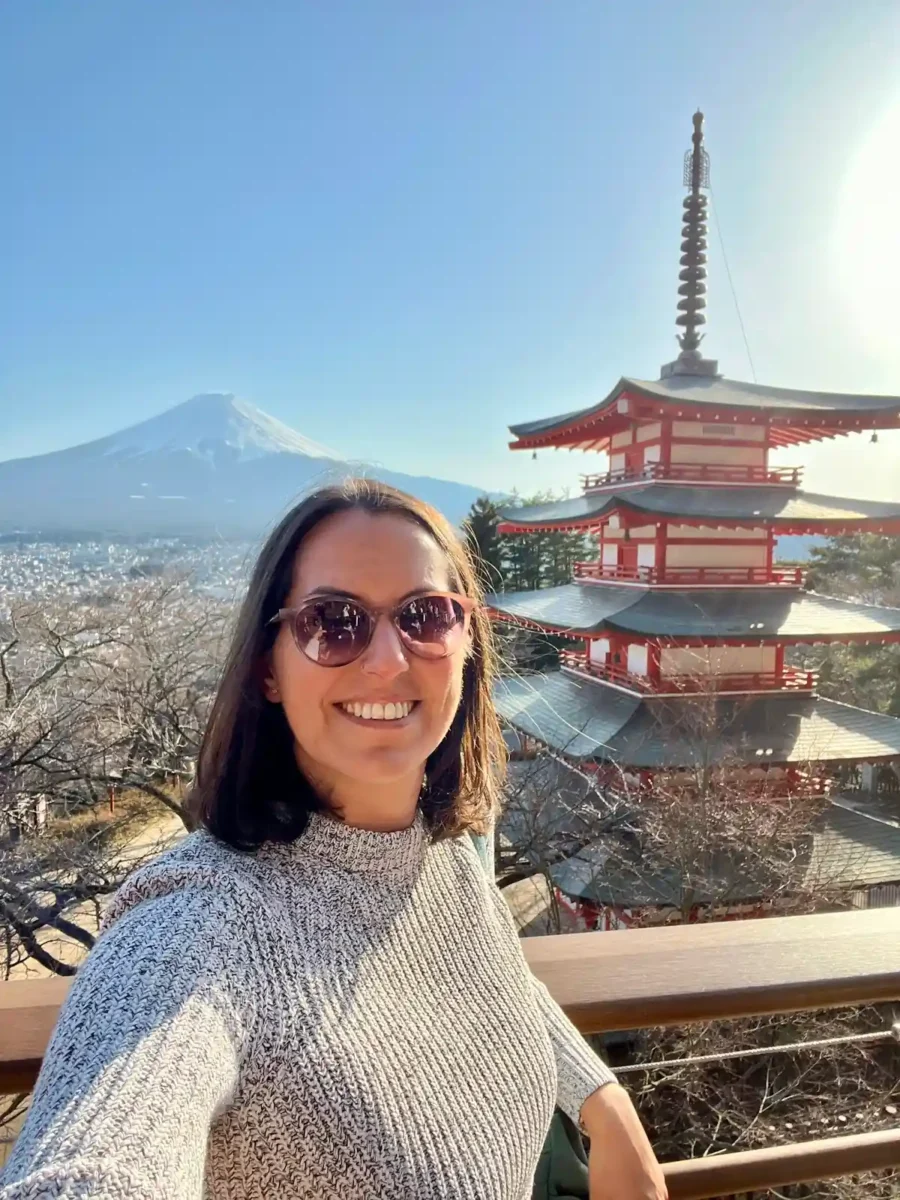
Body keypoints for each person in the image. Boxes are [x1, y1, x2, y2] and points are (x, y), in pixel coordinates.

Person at [0, 478, 666, 1200]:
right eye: (333, 621)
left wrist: (603, 1099)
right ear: (268, 667)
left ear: (467, 642)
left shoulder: (444, 852)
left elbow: (494, 979)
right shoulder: (205, 929)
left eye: (426, 616)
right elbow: (97, 1161)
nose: (386, 660)